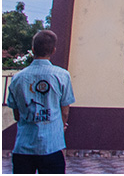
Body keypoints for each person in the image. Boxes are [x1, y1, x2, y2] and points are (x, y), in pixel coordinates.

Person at [6, 30, 75, 174]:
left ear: (32, 50)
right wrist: (60, 126)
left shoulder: (17, 78)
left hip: (24, 146)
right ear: (53, 50)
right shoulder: (62, 76)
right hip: (52, 145)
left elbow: (17, 114)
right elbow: (65, 112)